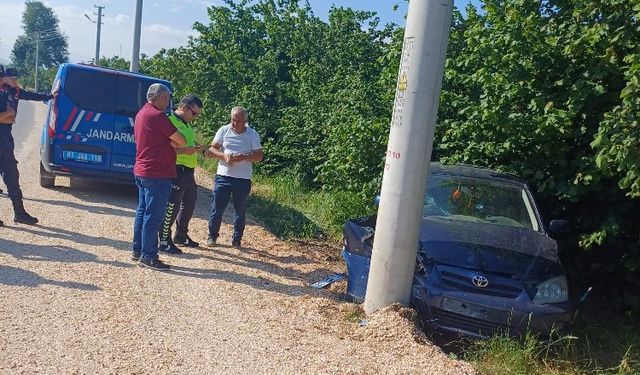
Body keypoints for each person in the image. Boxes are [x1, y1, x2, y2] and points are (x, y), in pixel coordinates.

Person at [132, 83, 186, 271]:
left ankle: (138, 250)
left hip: (142, 170)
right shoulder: (158, 117)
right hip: (157, 173)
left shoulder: (142, 113)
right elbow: (181, 140)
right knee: (153, 216)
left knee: (142, 212)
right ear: (162, 97)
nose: (169, 102)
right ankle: (149, 256)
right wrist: (172, 140)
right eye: (169, 98)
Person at [0, 66, 54, 227]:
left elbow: (30, 96)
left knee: (12, 175)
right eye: (11, 78)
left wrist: (51, 96)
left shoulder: (10, 91)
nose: (15, 81)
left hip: (5, 139)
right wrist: (8, 114)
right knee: (11, 174)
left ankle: (19, 213)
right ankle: (19, 213)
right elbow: (8, 116)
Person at [204, 106, 263, 248]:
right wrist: (224, 156)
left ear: (246, 121)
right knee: (216, 208)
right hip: (223, 176)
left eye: (240, 121)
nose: (236, 124)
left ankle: (237, 240)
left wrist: (245, 156)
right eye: (234, 120)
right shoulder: (224, 130)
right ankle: (212, 236)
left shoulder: (252, 134)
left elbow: (259, 156)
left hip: (242, 179)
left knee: (240, 211)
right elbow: (212, 148)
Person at [158, 94, 204, 254]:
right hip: (176, 169)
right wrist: (186, 149)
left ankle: (181, 235)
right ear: (184, 108)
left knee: (189, 202)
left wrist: (198, 147)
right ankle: (164, 239)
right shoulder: (170, 121)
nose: (195, 117)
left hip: (189, 170)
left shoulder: (186, 123)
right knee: (172, 205)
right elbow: (165, 149)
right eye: (194, 113)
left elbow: (187, 142)